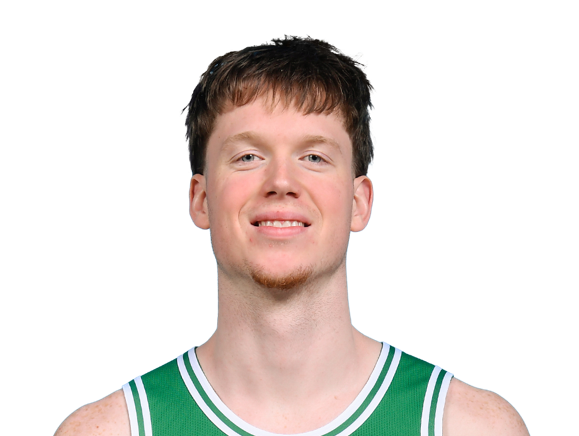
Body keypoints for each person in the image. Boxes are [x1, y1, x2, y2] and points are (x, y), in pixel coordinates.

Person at [54, 34, 529, 436]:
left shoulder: (468, 427)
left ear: (359, 202)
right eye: (248, 157)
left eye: (314, 157)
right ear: (200, 199)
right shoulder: (110, 430)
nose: (281, 181)